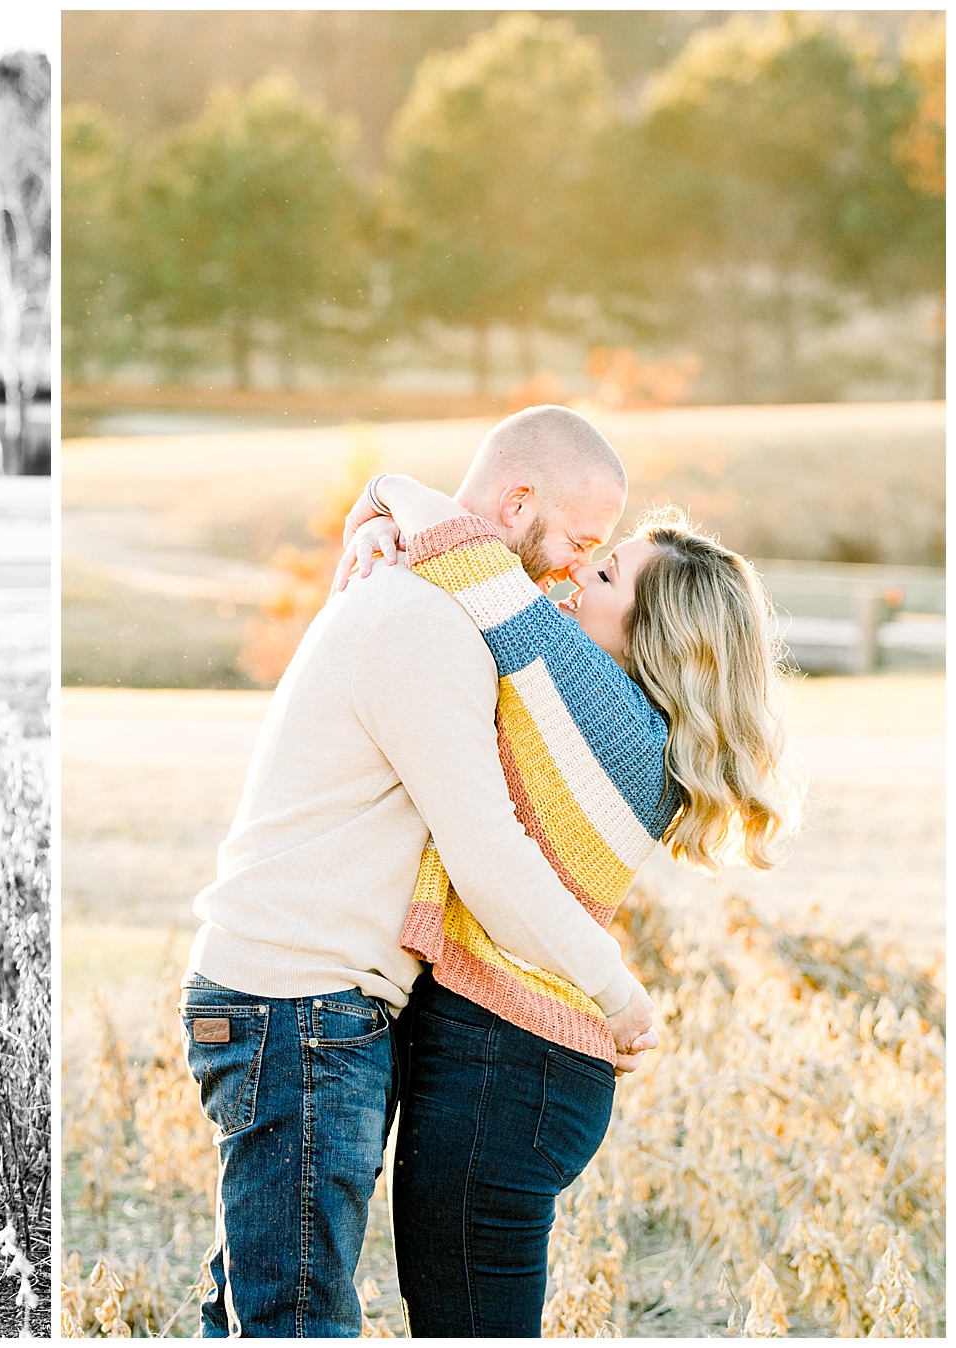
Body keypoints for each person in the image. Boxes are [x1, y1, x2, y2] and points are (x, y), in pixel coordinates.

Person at [180, 406, 660, 1337]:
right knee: (294, 1323)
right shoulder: (425, 624)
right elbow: (489, 858)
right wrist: (615, 994)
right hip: (298, 1006)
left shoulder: (431, 599)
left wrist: (387, 498)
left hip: (304, 1005)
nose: (575, 569)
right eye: (580, 542)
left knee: (262, 1311)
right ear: (518, 502)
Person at [335, 468, 797, 1337]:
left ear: (658, 635)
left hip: (507, 1068)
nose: (579, 572)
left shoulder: (599, 703)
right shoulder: (630, 727)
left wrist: (383, 492)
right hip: (522, 1067)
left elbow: (467, 552)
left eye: (608, 572)